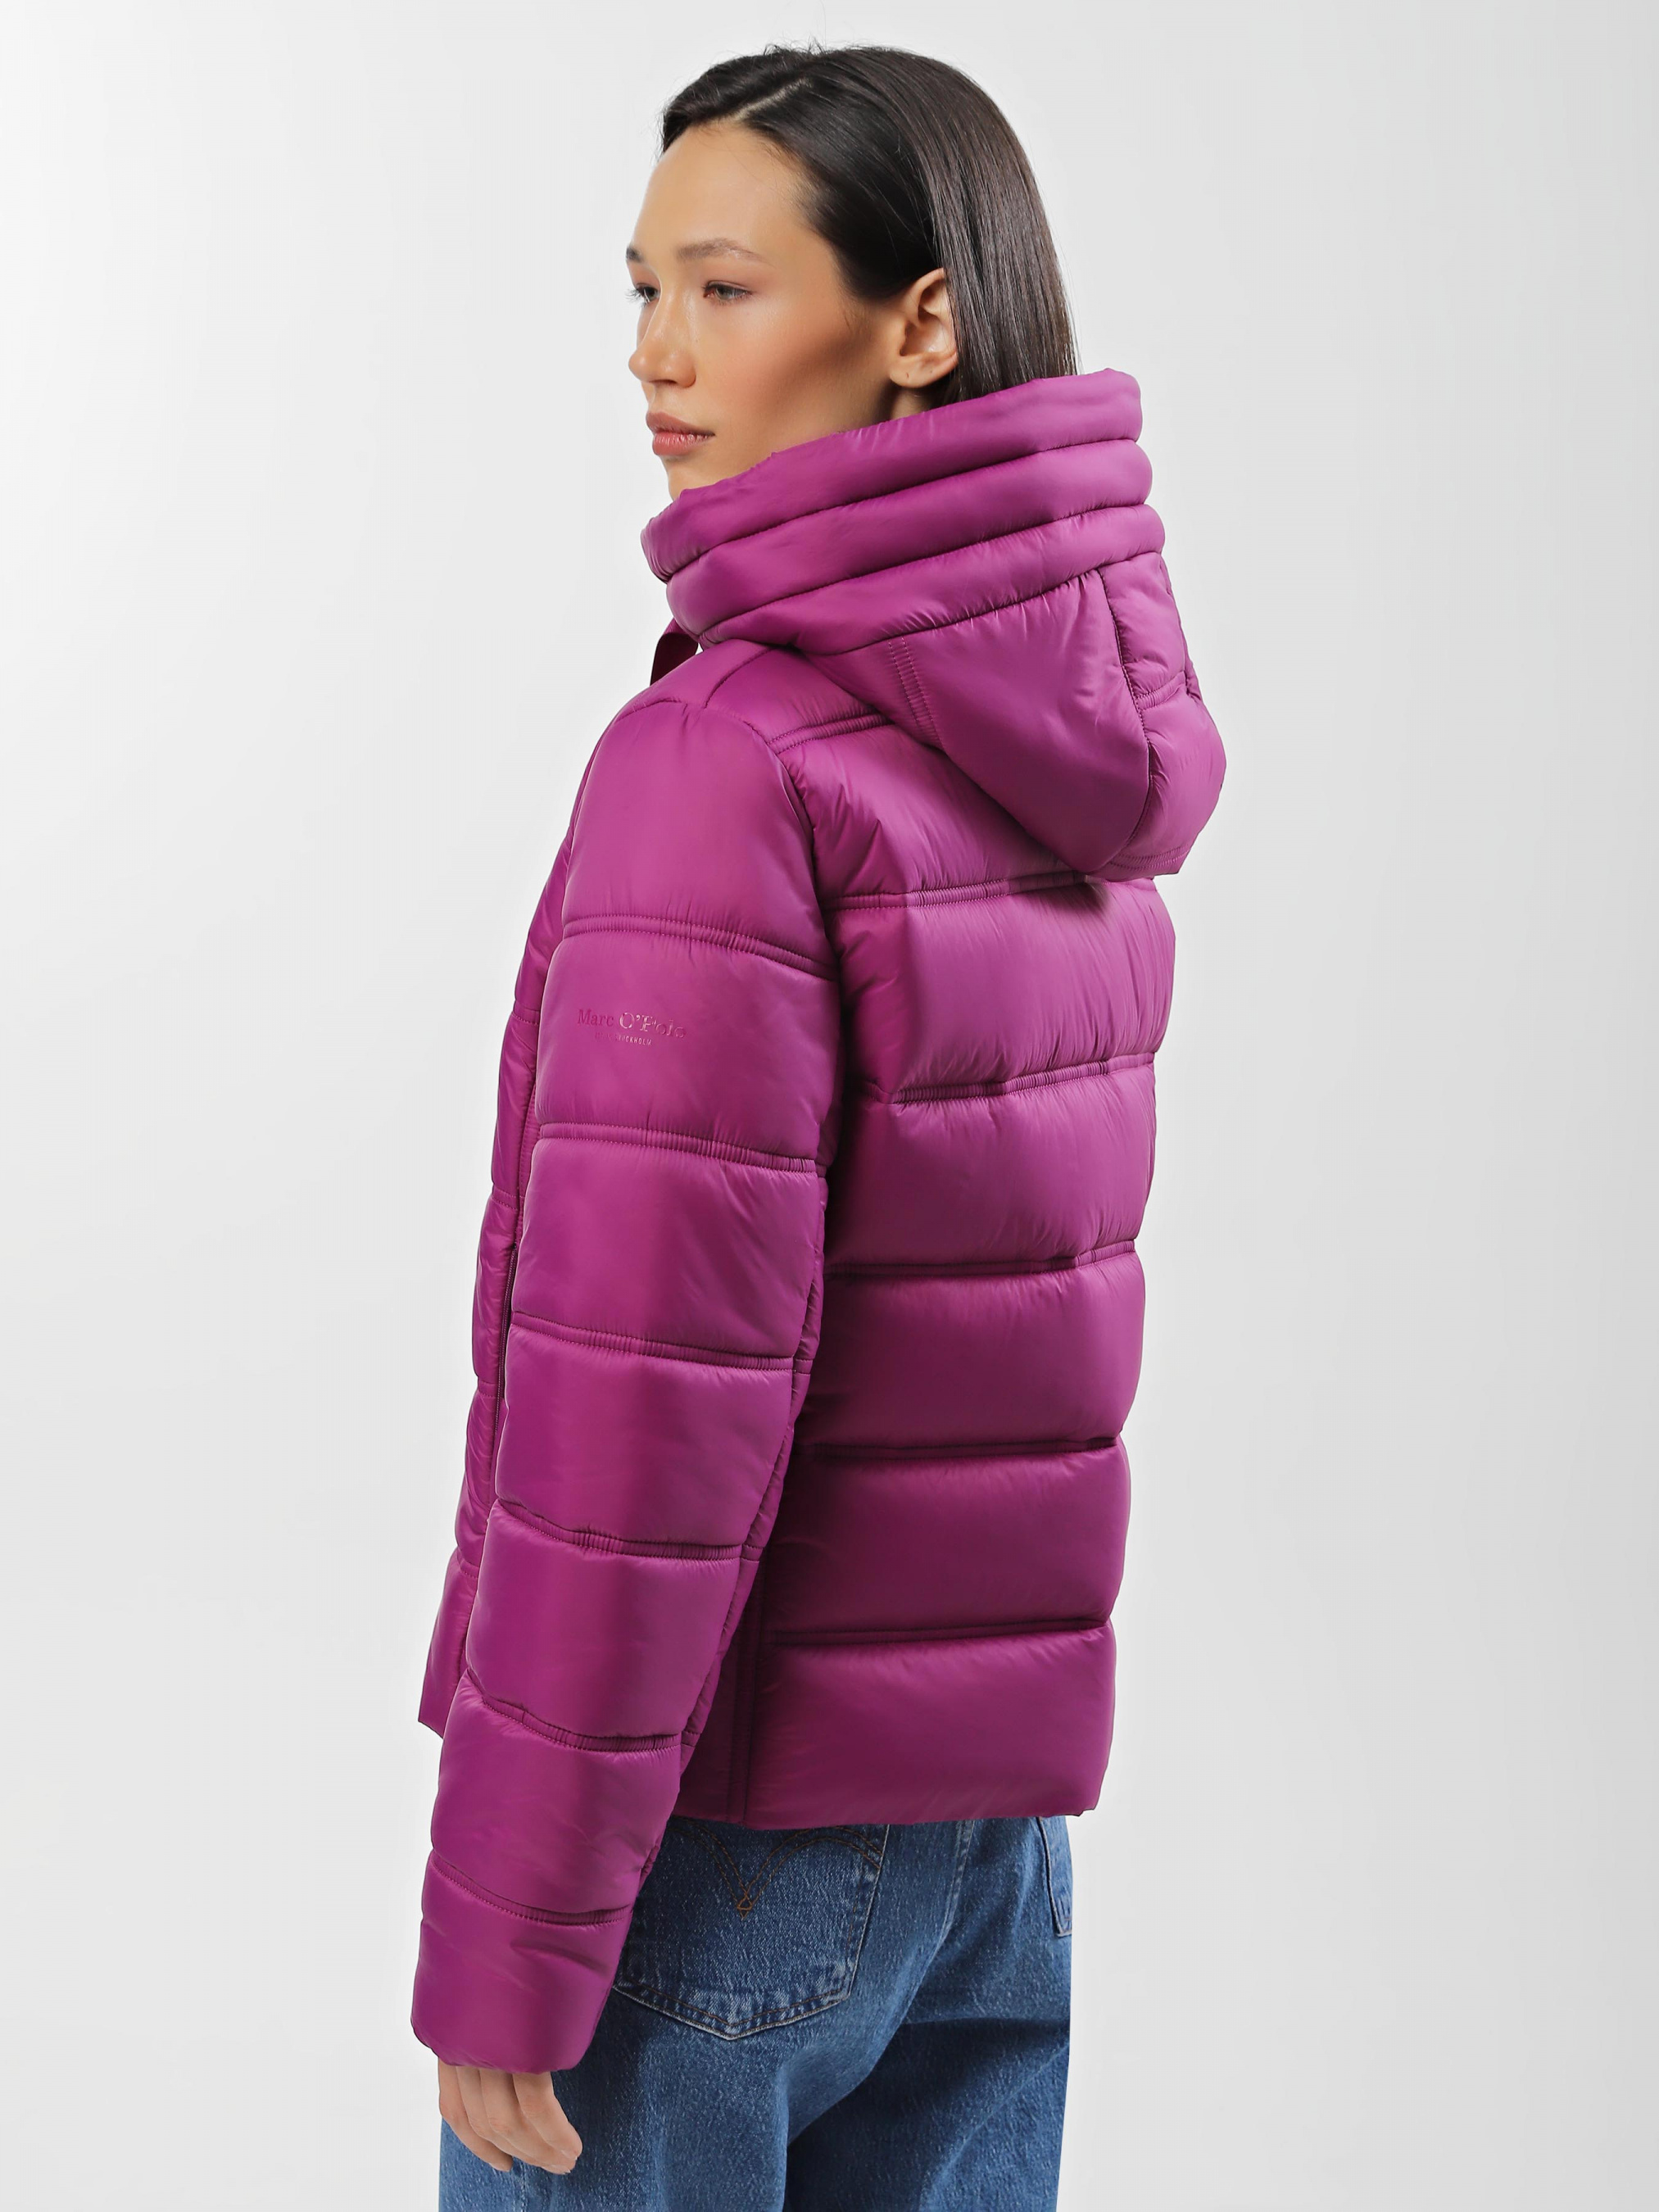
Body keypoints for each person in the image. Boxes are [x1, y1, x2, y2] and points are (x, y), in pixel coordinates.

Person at [412, 39, 1226, 2211]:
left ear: (919, 321)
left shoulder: (727, 761)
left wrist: (515, 1924)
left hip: (719, 1846)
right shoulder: (1070, 747)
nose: (656, 356)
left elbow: (641, 1406)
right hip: (986, 1853)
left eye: (725, 288)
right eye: (640, 291)